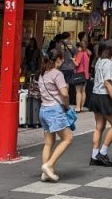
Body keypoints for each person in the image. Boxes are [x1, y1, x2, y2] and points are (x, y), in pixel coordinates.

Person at [37, 49, 74, 182]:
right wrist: (67, 105)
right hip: (54, 111)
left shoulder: (42, 74)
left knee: (48, 143)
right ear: (57, 59)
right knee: (68, 138)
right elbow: (64, 93)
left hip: (43, 110)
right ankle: (49, 164)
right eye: (62, 59)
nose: (63, 61)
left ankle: (46, 172)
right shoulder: (57, 74)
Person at [90, 41, 112, 166]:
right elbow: (107, 83)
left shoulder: (98, 62)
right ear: (110, 51)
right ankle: (103, 153)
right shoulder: (109, 64)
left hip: (95, 95)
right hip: (105, 97)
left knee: (99, 127)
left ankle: (94, 155)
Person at [73, 42, 91, 112]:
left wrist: (73, 60)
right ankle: (82, 107)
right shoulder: (87, 54)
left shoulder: (80, 54)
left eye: (77, 47)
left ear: (80, 47)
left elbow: (77, 64)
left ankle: (77, 107)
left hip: (80, 74)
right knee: (83, 91)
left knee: (78, 92)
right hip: (86, 75)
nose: (77, 49)